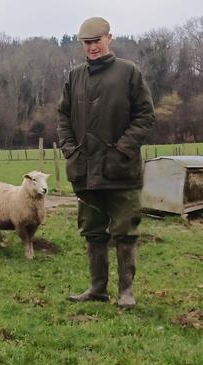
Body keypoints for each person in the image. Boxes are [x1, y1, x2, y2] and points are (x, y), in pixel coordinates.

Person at [57, 17, 155, 309]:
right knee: (92, 230)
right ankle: (97, 289)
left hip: (121, 170)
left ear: (109, 38)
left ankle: (126, 292)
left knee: (125, 231)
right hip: (85, 171)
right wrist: (70, 149)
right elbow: (62, 116)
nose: (91, 48)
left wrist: (122, 148)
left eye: (96, 41)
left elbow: (145, 116)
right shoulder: (74, 77)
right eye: (86, 44)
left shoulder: (129, 73)